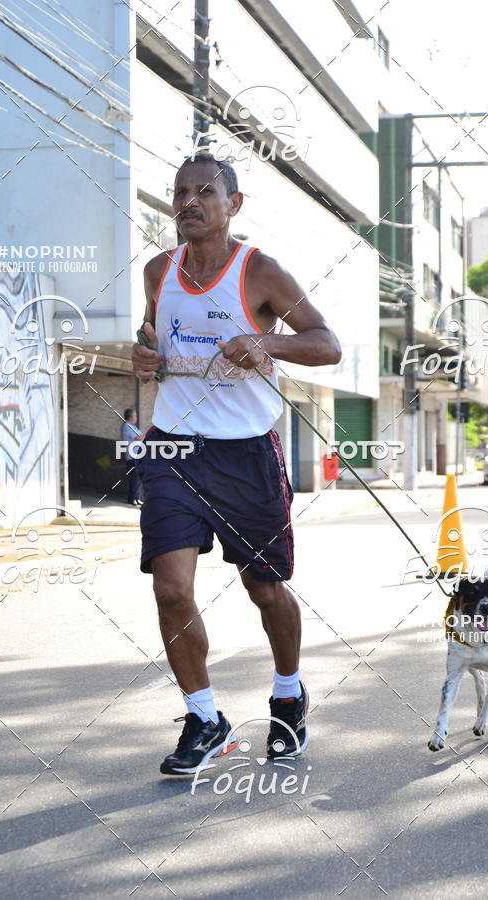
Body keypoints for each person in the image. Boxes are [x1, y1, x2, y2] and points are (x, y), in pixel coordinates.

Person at [131, 152, 341, 775]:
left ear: (234, 204)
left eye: (205, 192)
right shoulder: (158, 271)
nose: (190, 202)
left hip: (246, 450)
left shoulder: (260, 272)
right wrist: (145, 356)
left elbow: (326, 344)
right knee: (171, 589)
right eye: (181, 192)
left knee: (264, 587)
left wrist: (265, 342)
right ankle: (204, 719)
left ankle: (288, 695)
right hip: (173, 447)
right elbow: (152, 338)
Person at [120, 409, 142, 506]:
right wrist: (149, 433)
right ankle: (132, 498)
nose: (136, 418)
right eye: (135, 416)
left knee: (138, 478)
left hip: (137, 455)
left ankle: (137, 498)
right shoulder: (127, 426)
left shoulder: (132, 426)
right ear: (131, 417)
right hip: (132, 456)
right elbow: (138, 438)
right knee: (134, 478)